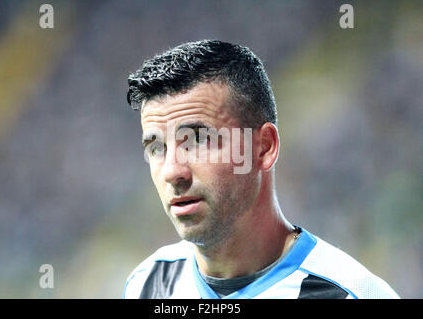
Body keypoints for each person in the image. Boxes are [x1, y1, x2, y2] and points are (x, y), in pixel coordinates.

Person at [122, 40, 399, 299]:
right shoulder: (148, 283)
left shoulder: (350, 293)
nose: (172, 172)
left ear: (264, 148)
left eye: (198, 139)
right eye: (156, 147)